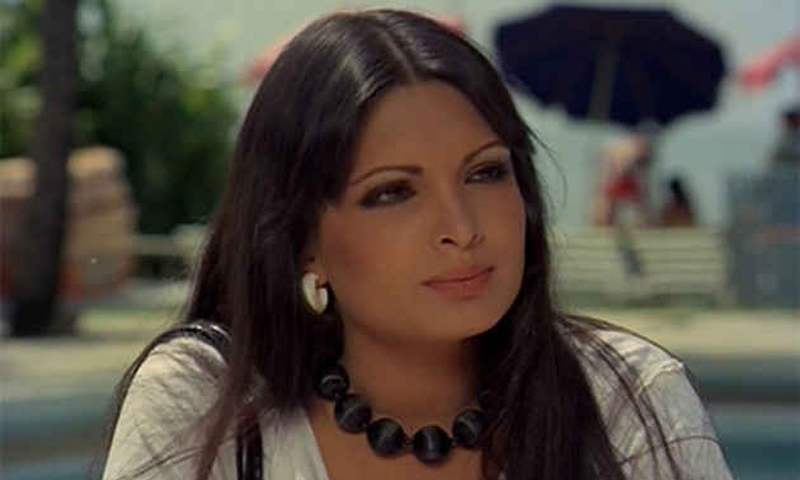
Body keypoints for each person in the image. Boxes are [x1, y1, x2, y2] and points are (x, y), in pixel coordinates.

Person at [100, 9, 733, 480]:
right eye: (393, 192)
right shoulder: (206, 405)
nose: (462, 227)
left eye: (485, 173)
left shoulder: (628, 400)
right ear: (302, 240)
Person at [591, 135, 653, 228]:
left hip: (620, 176)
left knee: (608, 204)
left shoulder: (630, 151)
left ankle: (603, 221)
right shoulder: (624, 151)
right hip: (617, 176)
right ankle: (603, 222)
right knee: (607, 204)